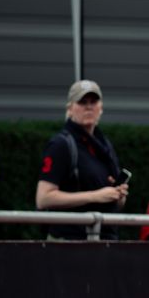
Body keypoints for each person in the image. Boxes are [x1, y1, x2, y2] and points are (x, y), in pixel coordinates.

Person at [35, 80, 127, 239]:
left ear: (101, 108)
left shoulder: (104, 145)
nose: (89, 107)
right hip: (71, 242)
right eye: (82, 102)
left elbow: (116, 203)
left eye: (93, 101)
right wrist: (96, 195)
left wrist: (117, 194)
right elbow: (43, 199)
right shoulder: (61, 144)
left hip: (104, 239)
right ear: (70, 109)